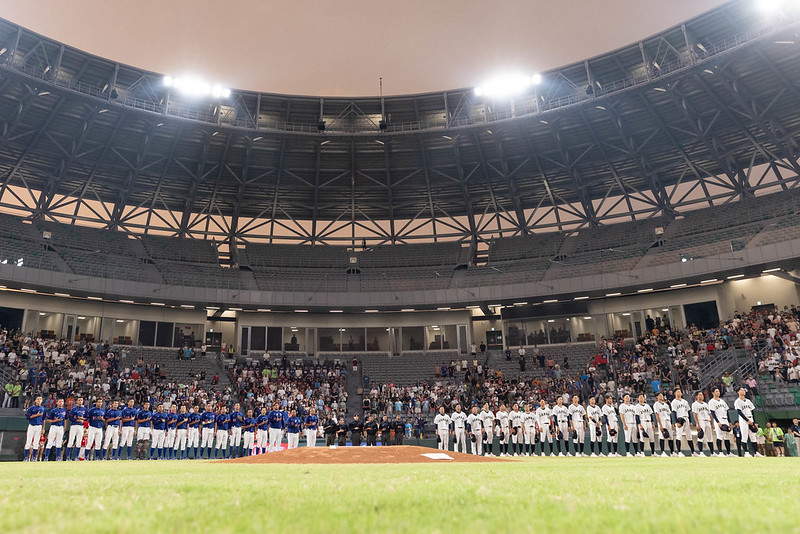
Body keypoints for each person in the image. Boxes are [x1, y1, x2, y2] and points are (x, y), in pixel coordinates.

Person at [734, 387, 759, 457]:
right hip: (743, 420)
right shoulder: (737, 401)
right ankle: (746, 452)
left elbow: (752, 411)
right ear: (738, 392)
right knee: (744, 436)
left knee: (753, 436)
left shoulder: (748, 401)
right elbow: (739, 412)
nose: (743, 391)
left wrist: (754, 422)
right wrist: (747, 420)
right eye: (741, 390)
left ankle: (756, 452)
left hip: (750, 419)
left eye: (744, 390)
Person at [708, 388, 733, 457]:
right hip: (719, 419)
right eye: (716, 391)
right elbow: (712, 412)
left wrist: (729, 422)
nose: (718, 392)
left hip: (725, 419)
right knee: (719, 436)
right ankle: (720, 452)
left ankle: (728, 453)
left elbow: (727, 411)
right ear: (713, 393)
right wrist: (717, 421)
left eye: (718, 391)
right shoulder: (711, 402)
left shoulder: (722, 401)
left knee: (727, 436)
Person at [671, 388, 695, 457]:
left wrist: (690, 421)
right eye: (677, 392)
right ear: (675, 393)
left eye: (680, 392)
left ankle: (693, 452)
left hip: (686, 418)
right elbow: (673, 412)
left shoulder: (685, 401)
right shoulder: (674, 402)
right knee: (679, 436)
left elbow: (688, 411)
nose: (679, 393)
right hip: (679, 419)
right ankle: (679, 452)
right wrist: (676, 422)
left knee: (689, 436)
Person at [691, 391, 715, 457]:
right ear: (696, 396)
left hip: (708, 420)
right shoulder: (695, 404)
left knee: (710, 437)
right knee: (700, 436)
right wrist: (697, 423)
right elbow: (695, 414)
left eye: (702, 395)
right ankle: (701, 452)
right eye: (700, 395)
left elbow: (710, 414)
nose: (702, 396)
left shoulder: (706, 404)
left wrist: (712, 423)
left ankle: (712, 452)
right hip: (701, 420)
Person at [23, 395, 45, 462]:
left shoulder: (43, 409)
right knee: (28, 442)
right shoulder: (31, 408)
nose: (39, 400)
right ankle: (26, 458)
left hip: (39, 426)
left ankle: (34, 458)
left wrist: (43, 428)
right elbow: (28, 417)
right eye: (38, 399)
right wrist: (36, 415)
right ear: (35, 400)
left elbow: (44, 419)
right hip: (32, 426)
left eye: (40, 399)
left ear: (42, 401)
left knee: (36, 443)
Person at [66, 397, 88, 461]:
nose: (80, 401)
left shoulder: (85, 409)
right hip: (74, 425)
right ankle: (68, 457)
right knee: (71, 441)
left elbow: (87, 418)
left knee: (79, 442)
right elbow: (70, 418)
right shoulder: (73, 409)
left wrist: (82, 419)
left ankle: (76, 457)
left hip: (81, 426)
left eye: (81, 400)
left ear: (83, 401)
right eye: (79, 400)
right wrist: (78, 420)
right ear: (77, 401)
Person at [653, 393, 675, 457]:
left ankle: (672, 452)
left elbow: (670, 414)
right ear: (657, 397)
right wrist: (660, 425)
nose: (661, 396)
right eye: (660, 395)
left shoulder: (666, 405)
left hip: (668, 421)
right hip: (662, 421)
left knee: (671, 437)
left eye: (662, 395)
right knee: (662, 436)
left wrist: (672, 423)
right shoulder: (656, 404)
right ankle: (663, 452)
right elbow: (657, 415)